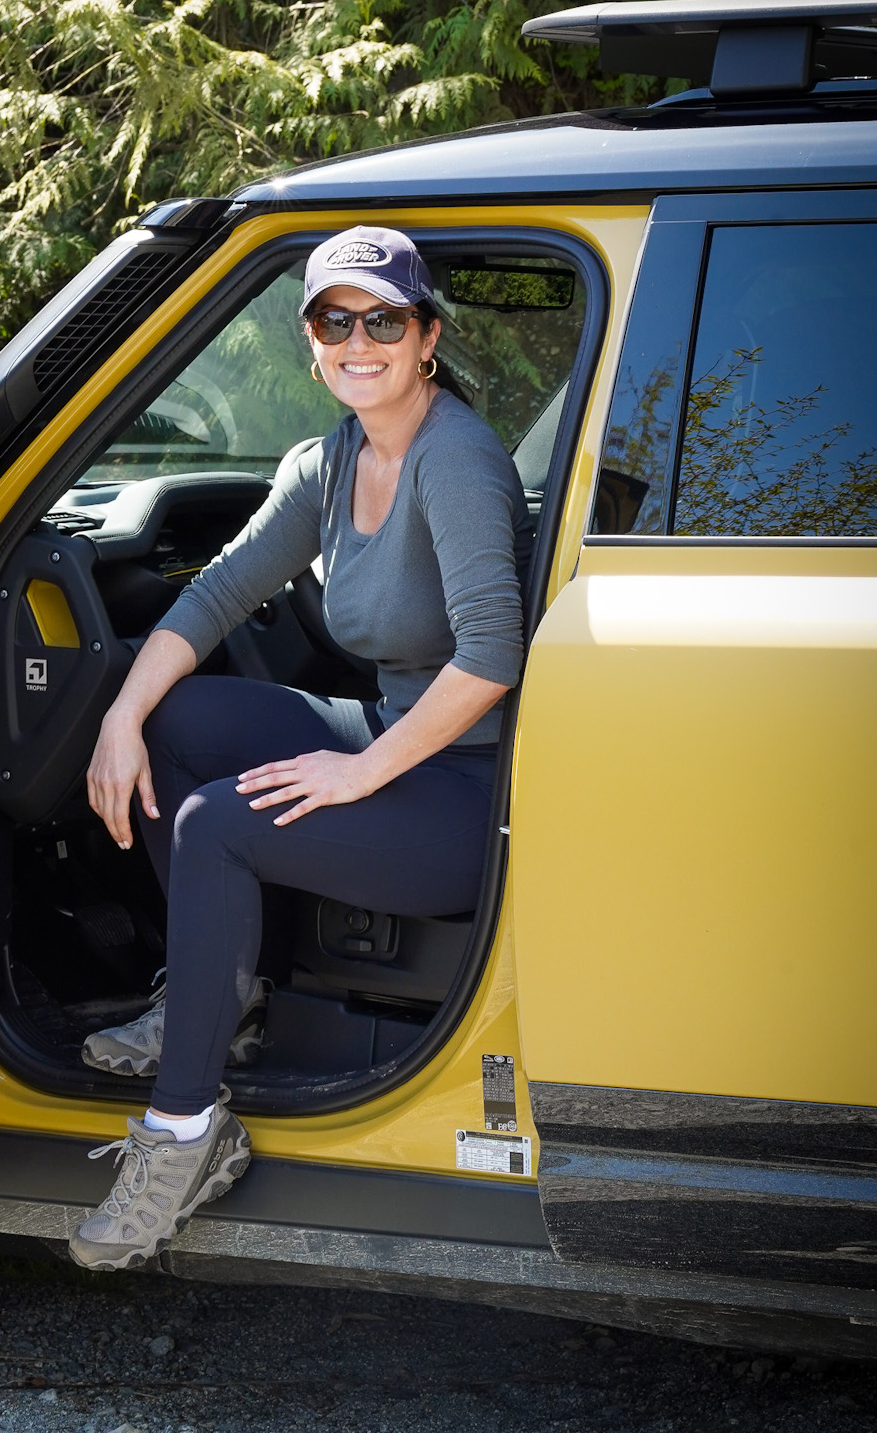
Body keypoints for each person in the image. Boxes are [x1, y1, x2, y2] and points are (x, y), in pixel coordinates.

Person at [67, 226, 532, 1270]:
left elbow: (491, 657)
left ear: (426, 338)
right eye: (335, 320)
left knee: (216, 823)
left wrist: (358, 771)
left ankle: (184, 1133)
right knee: (174, 720)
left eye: (384, 320)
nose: (358, 340)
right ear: (311, 340)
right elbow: (218, 592)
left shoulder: (455, 458)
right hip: (399, 739)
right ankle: (224, 999)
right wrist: (119, 718)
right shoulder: (329, 461)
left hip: (474, 788)